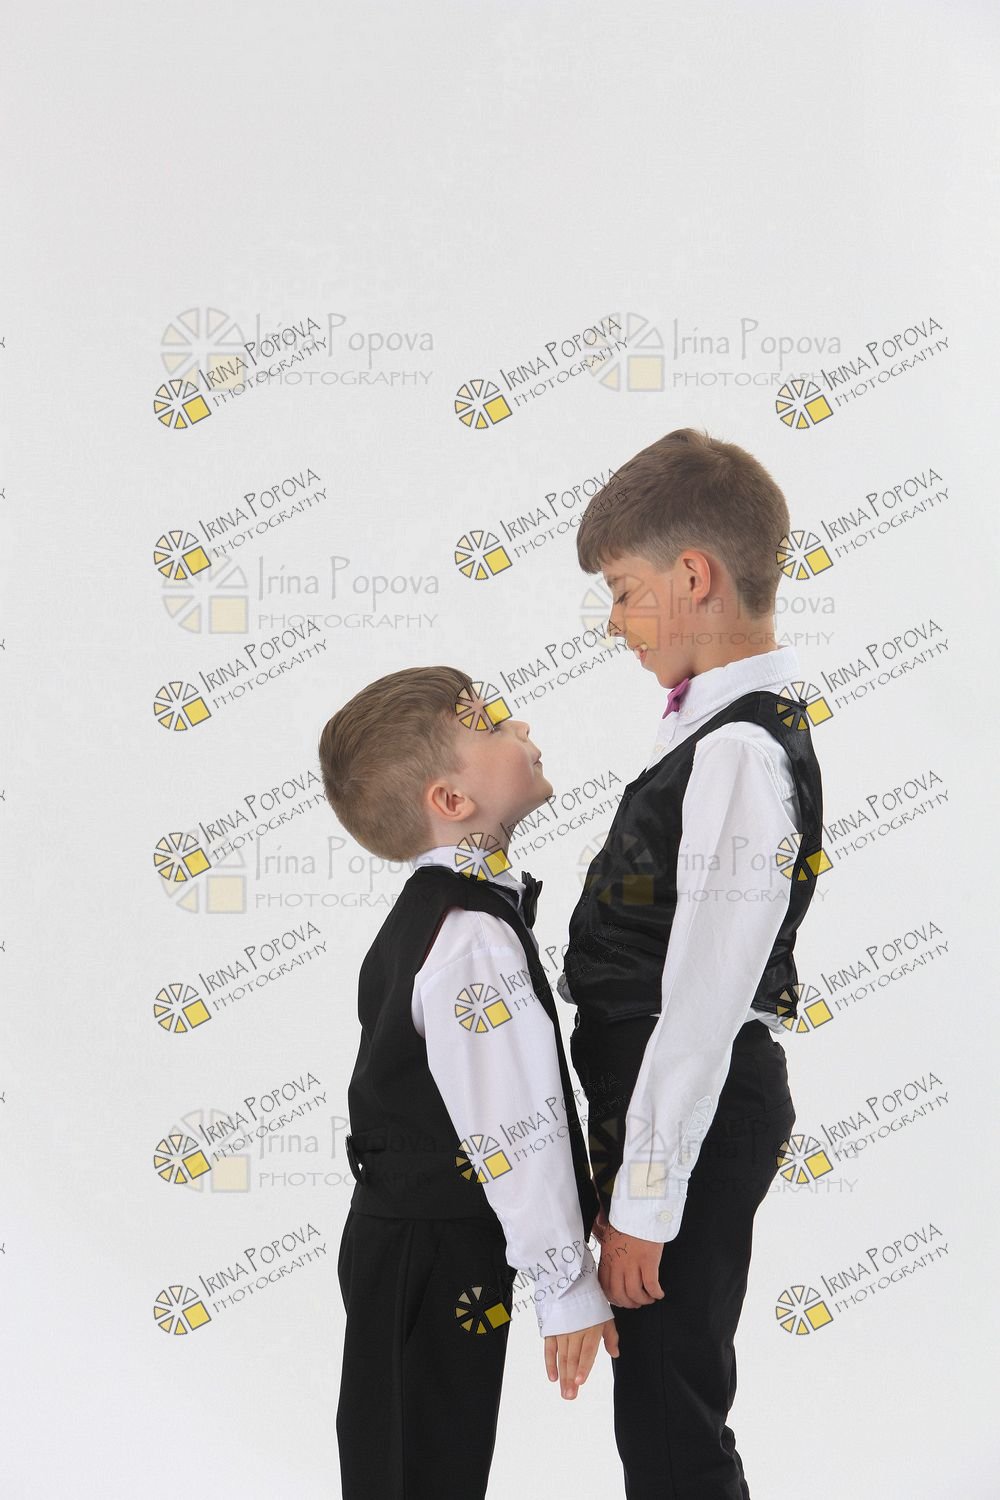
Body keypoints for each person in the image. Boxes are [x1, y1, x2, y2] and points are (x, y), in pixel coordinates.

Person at [558, 426, 827, 1499]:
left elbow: (706, 998)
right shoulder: (714, 735)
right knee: (660, 1410)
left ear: (694, 576)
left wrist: (645, 1198)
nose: (615, 623)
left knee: (672, 1419)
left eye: (623, 591)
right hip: (671, 1117)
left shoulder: (739, 753)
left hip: (695, 1119)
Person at [318, 667, 617, 1500]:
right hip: (431, 1247)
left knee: (411, 1459)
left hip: (415, 1238)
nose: (521, 726)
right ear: (451, 800)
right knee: (419, 1468)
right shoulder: (471, 937)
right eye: (491, 725)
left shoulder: (452, 917)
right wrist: (566, 1283)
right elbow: (512, 1124)